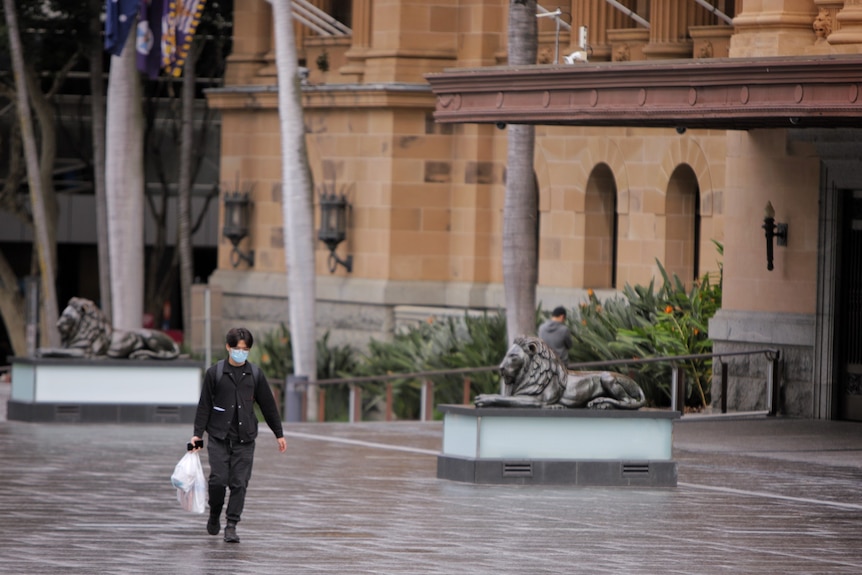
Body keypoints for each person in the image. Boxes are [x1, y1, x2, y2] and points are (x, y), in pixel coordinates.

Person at [190, 327, 286, 543]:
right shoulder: (214, 373)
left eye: (245, 349)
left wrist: (278, 434)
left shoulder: (255, 375)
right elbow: (204, 405)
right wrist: (196, 436)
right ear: (228, 347)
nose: (240, 352)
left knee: (239, 483)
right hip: (218, 436)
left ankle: (231, 524)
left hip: (245, 438)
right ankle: (214, 513)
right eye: (236, 348)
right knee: (217, 480)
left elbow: (268, 406)